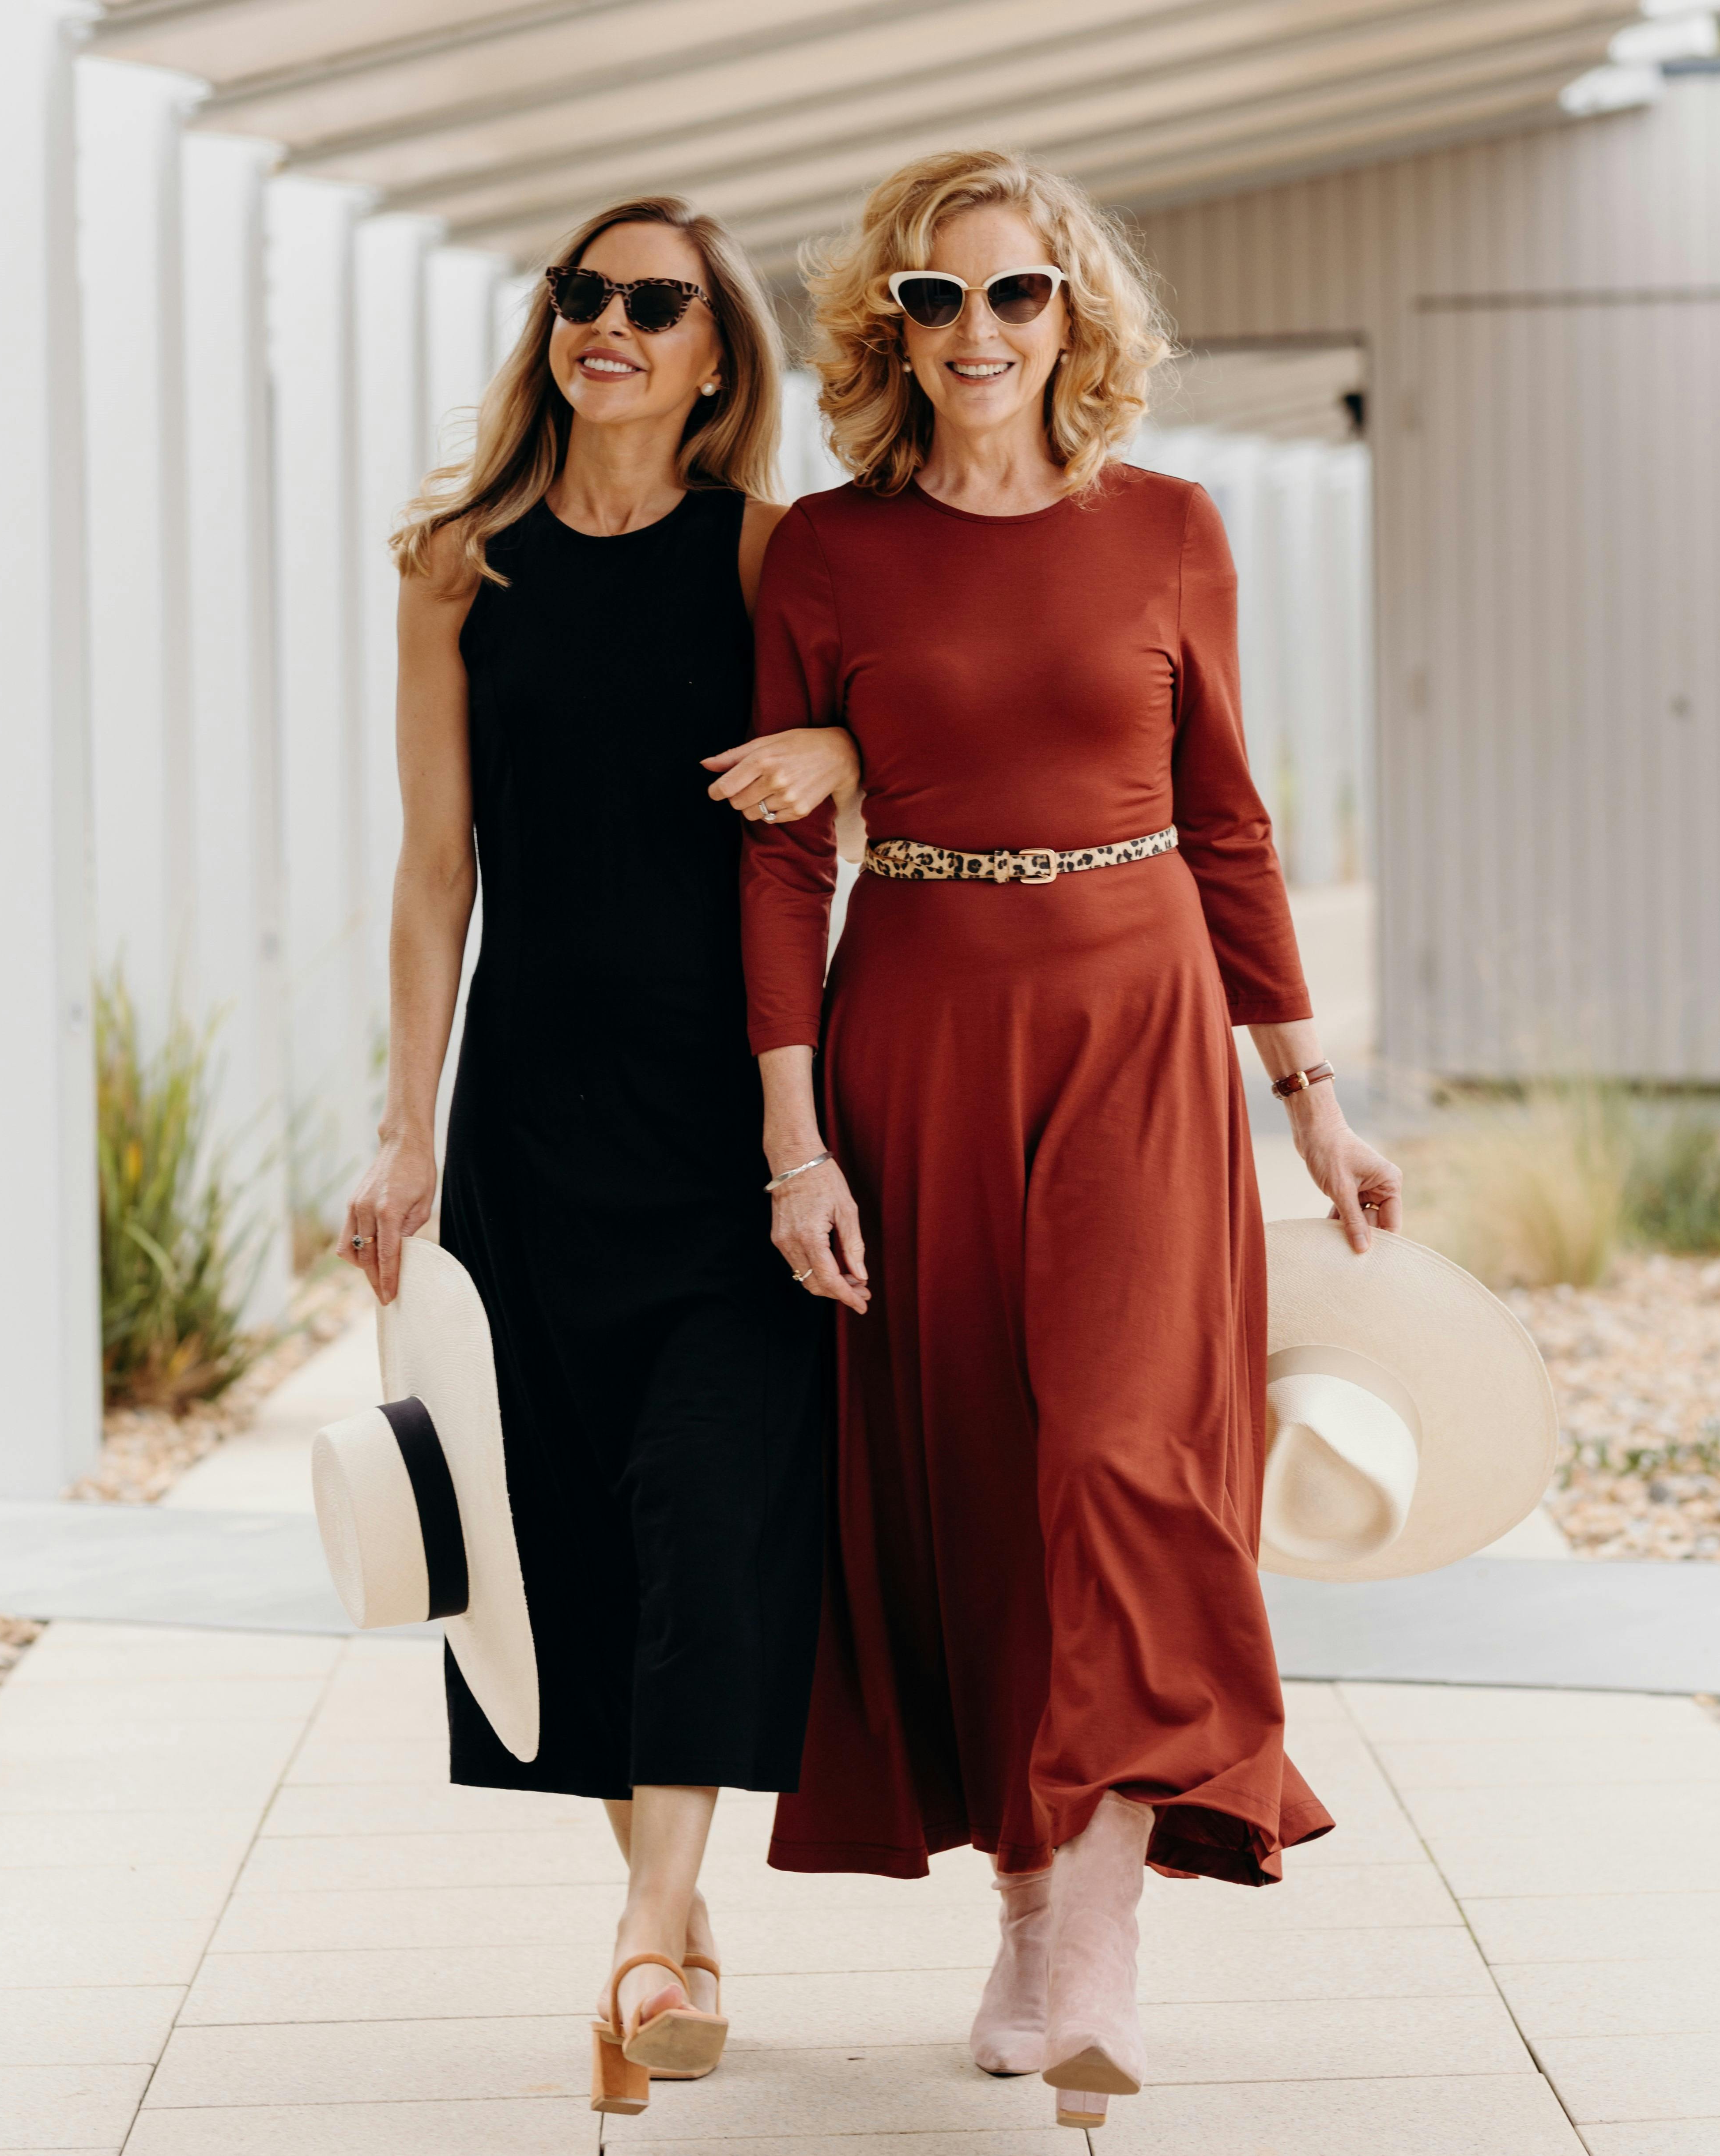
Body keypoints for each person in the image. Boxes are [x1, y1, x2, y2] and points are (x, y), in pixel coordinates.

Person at [739, 149, 1403, 2131]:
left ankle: (1104, 1920)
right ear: (888, 328)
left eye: (1013, 296)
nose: (975, 335)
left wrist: (1309, 1093)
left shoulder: (1174, 529)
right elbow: (779, 868)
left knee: (1124, 1461)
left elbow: (1230, 824)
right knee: (967, 1482)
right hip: (918, 1028)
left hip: (1138, 1028)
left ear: (1072, 317)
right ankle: (1027, 1908)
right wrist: (795, 1148)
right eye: (934, 304)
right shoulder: (822, 556)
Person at [340, 194, 860, 2113]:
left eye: (656, 302)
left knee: (710, 1505)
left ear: (717, 353)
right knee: (559, 1525)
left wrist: (851, 765)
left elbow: (912, 746)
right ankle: (671, 1914)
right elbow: (433, 867)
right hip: (536, 1119)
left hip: (742, 1111)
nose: (609, 323)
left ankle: (648, 1939)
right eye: (584, 294)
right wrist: (405, 1126)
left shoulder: (768, 554)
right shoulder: (458, 566)